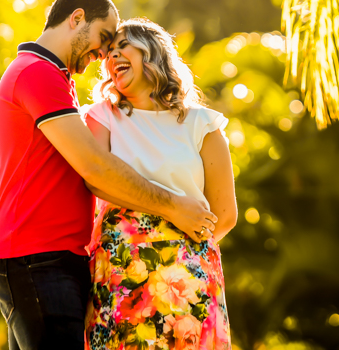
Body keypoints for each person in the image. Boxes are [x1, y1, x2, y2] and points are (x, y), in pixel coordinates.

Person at [0, 0, 218, 350]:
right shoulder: (36, 74)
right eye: (104, 38)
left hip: (49, 256)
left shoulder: (57, 79)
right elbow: (94, 167)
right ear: (76, 19)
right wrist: (173, 207)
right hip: (34, 255)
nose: (105, 53)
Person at [83, 17, 237, 349]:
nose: (113, 56)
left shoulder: (202, 124)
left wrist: (180, 253)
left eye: (123, 45)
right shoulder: (102, 117)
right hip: (122, 274)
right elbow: (96, 181)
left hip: (189, 278)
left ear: (152, 52)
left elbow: (224, 214)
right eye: (108, 51)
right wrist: (171, 212)